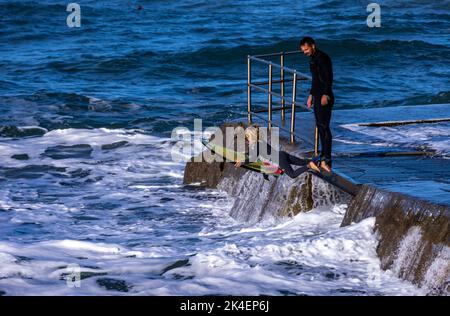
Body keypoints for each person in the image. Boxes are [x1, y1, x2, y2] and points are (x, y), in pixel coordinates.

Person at [300, 36, 334, 173]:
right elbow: (315, 80)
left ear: (313, 46)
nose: (305, 52)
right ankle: (323, 155)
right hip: (318, 95)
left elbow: (328, 77)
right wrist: (311, 95)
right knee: (320, 126)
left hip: (325, 96)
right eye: (303, 50)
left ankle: (328, 159)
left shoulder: (322, 58)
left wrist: (326, 94)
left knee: (324, 127)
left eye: (306, 49)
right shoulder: (313, 59)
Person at [234, 126, 320, 179]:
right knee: (303, 162)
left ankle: (310, 166)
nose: (246, 140)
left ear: (250, 136)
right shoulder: (260, 142)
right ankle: (320, 159)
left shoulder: (256, 145)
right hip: (281, 154)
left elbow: (252, 158)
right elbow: (251, 154)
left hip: (279, 159)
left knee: (293, 175)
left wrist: (241, 163)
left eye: (246, 137)